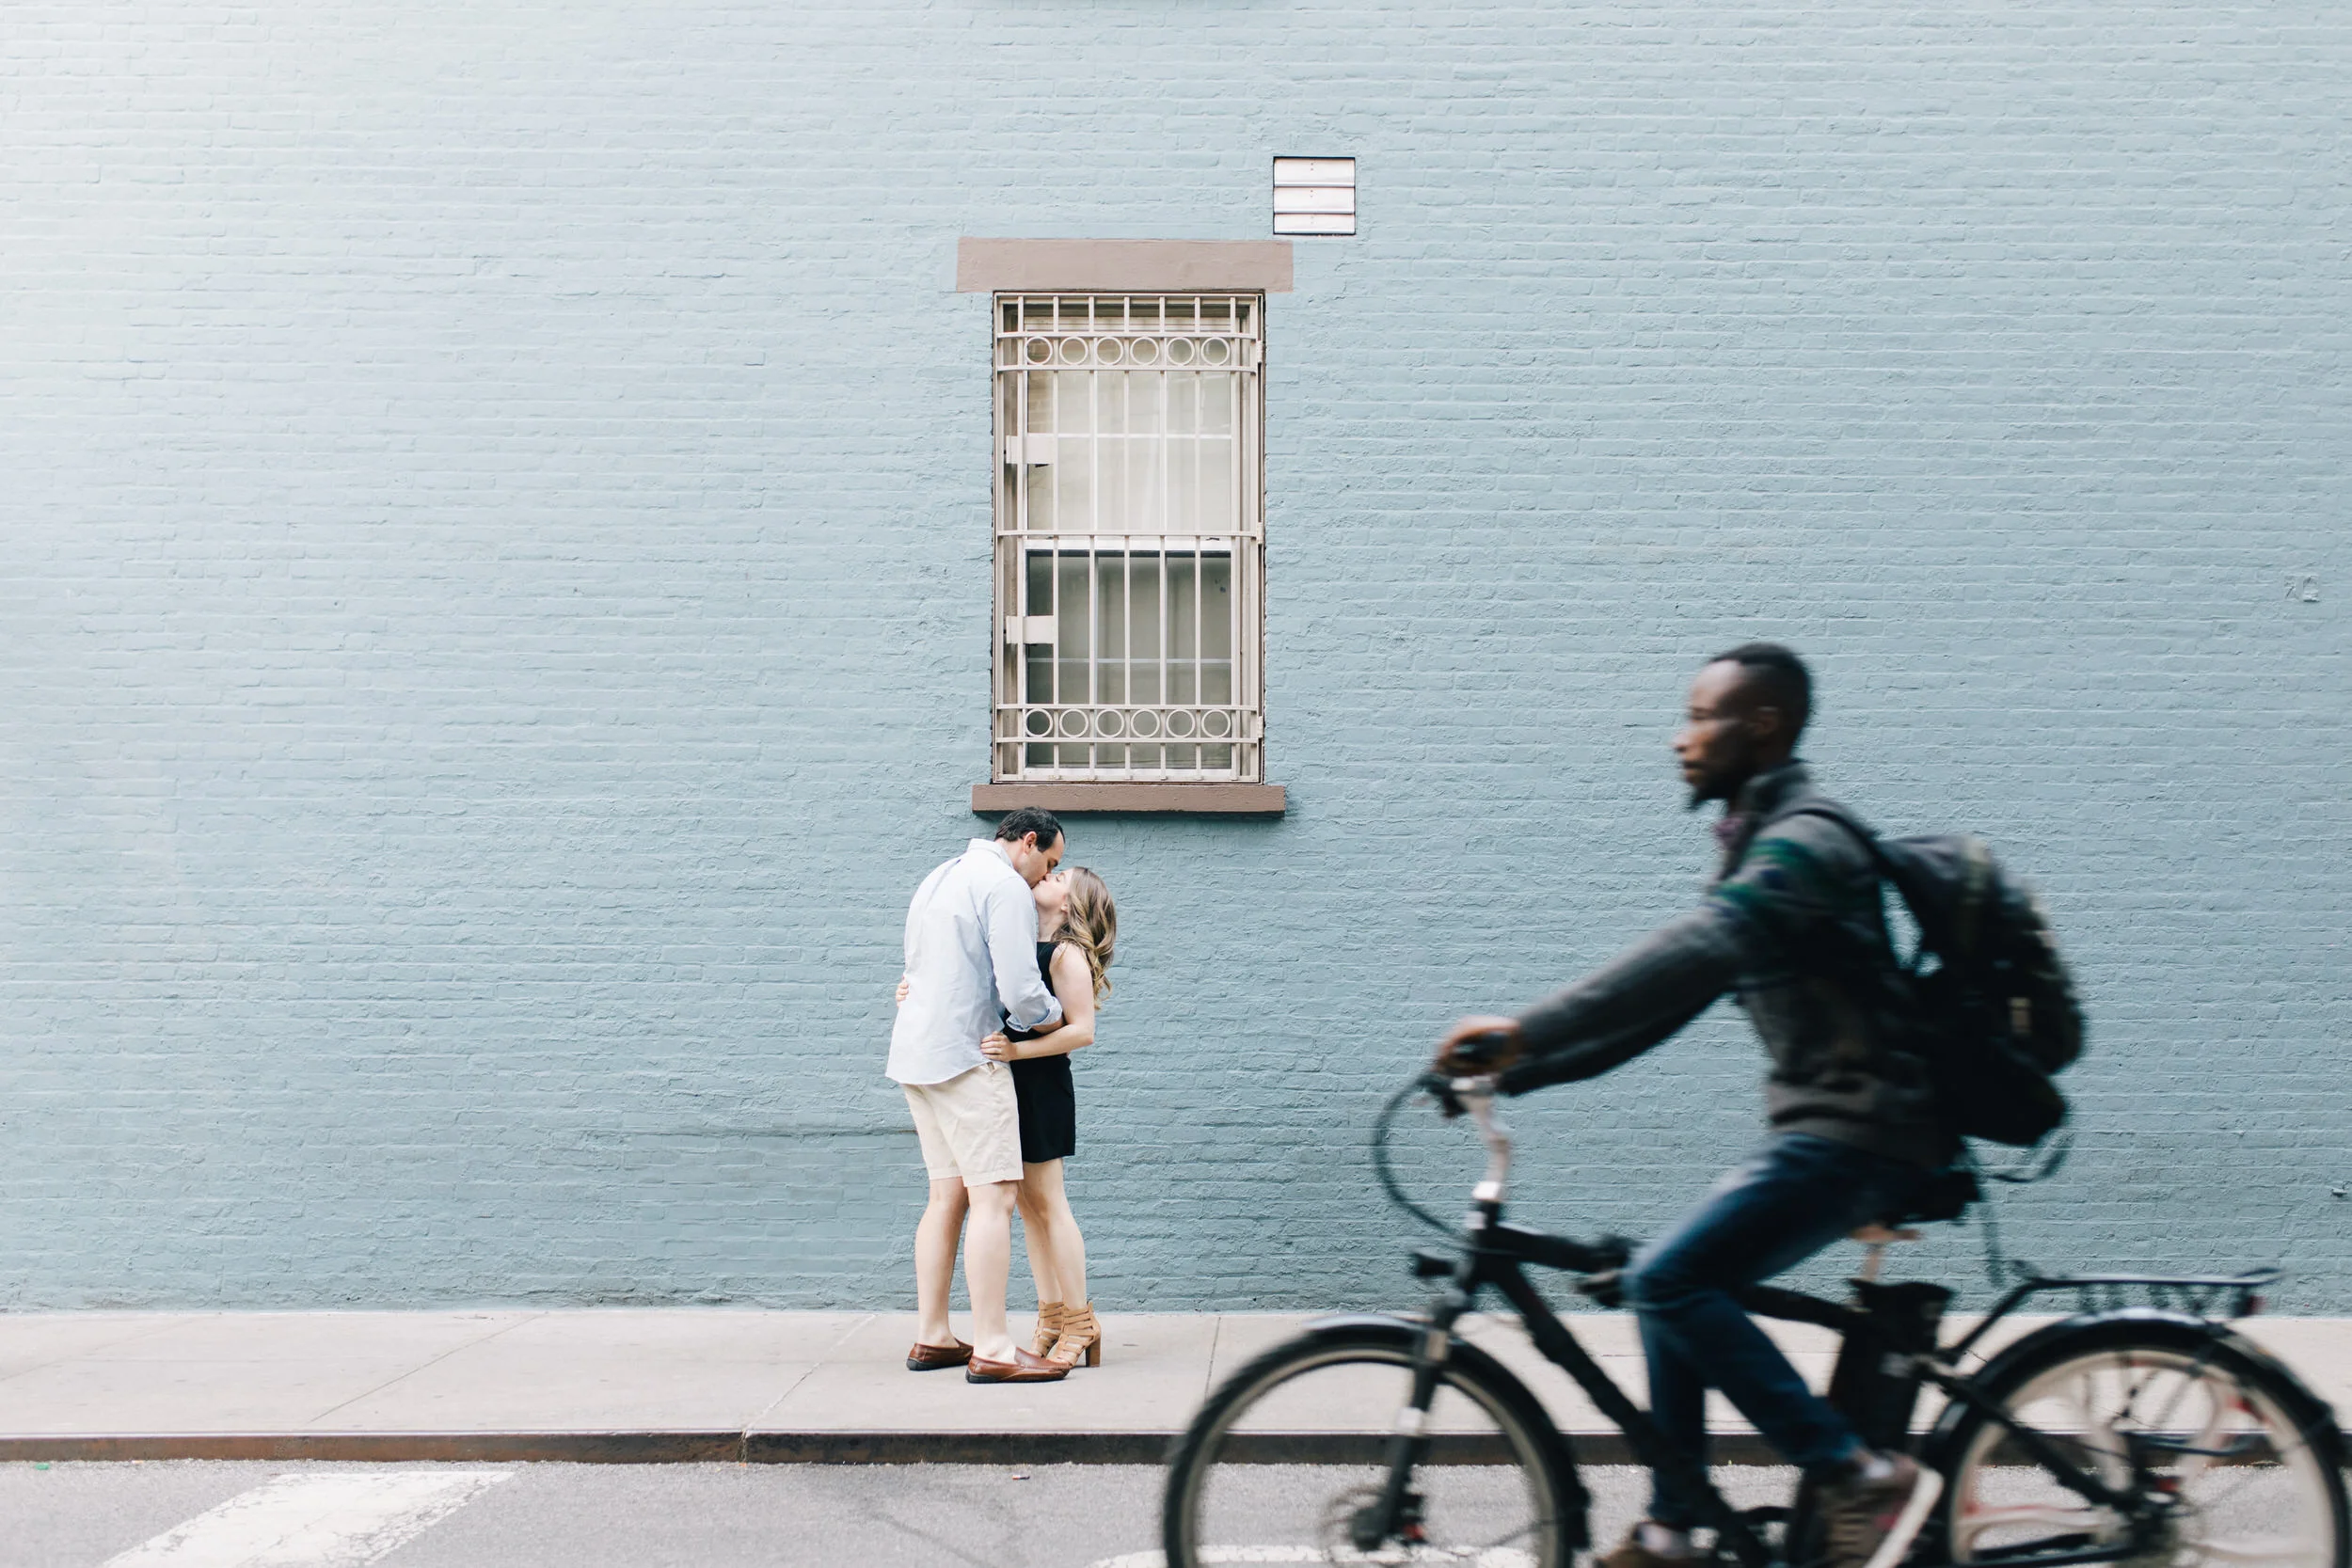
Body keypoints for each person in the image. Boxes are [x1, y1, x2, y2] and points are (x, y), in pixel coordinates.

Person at [1435, 644, 1947, 1568]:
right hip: (1830, 1125)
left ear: (1764, 725)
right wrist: (1513, 1073)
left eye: (1702, 715)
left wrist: (1522, 1027)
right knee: (1660, 1278)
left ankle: (1856, 1472)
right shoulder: (1762, 840)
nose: (1680, 737)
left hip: (1865, 1131)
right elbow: (1670, 1005)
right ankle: (1675, 1523)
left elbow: (1704, 947)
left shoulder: (1807, 840)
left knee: (1670, 1276)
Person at [888, 807, 1071, 1385]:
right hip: (969, 1057)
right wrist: (1058, 1017)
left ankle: (933, 1335)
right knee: (996, 1196)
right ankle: (993, 1345)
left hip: (916, 1055)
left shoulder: (939, 875)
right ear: (1030, 842)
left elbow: (915, 971)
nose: (1046, 876)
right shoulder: (1003, 885)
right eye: (1050, 862)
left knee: (946, 1196)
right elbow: (1020, 990)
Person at [985, 865, 1116, 1370]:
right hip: (1012, 1085)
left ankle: (1081, 1321)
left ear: (1069, 904)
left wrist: (1017, 1055)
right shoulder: (1022, 944)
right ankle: (1051, 1316)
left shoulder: (1065, 954)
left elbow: (1083, 1031)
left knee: (1050, 1203)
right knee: (1026, 1207)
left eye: (1063, 876)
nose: (1050, 874)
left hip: (1041, 1087)